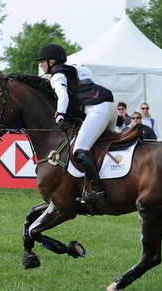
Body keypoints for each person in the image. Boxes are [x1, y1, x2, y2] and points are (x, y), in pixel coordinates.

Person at [36, 43, 114, 203]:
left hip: (97, 109)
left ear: (52, 61)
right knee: (103, 146)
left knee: (80, 150)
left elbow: (63, 97)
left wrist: (60, 116)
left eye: (43, 61)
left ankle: (97, 190)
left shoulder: (57, 76)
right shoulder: (76, 69)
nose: (41, 64)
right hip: (110, 105)